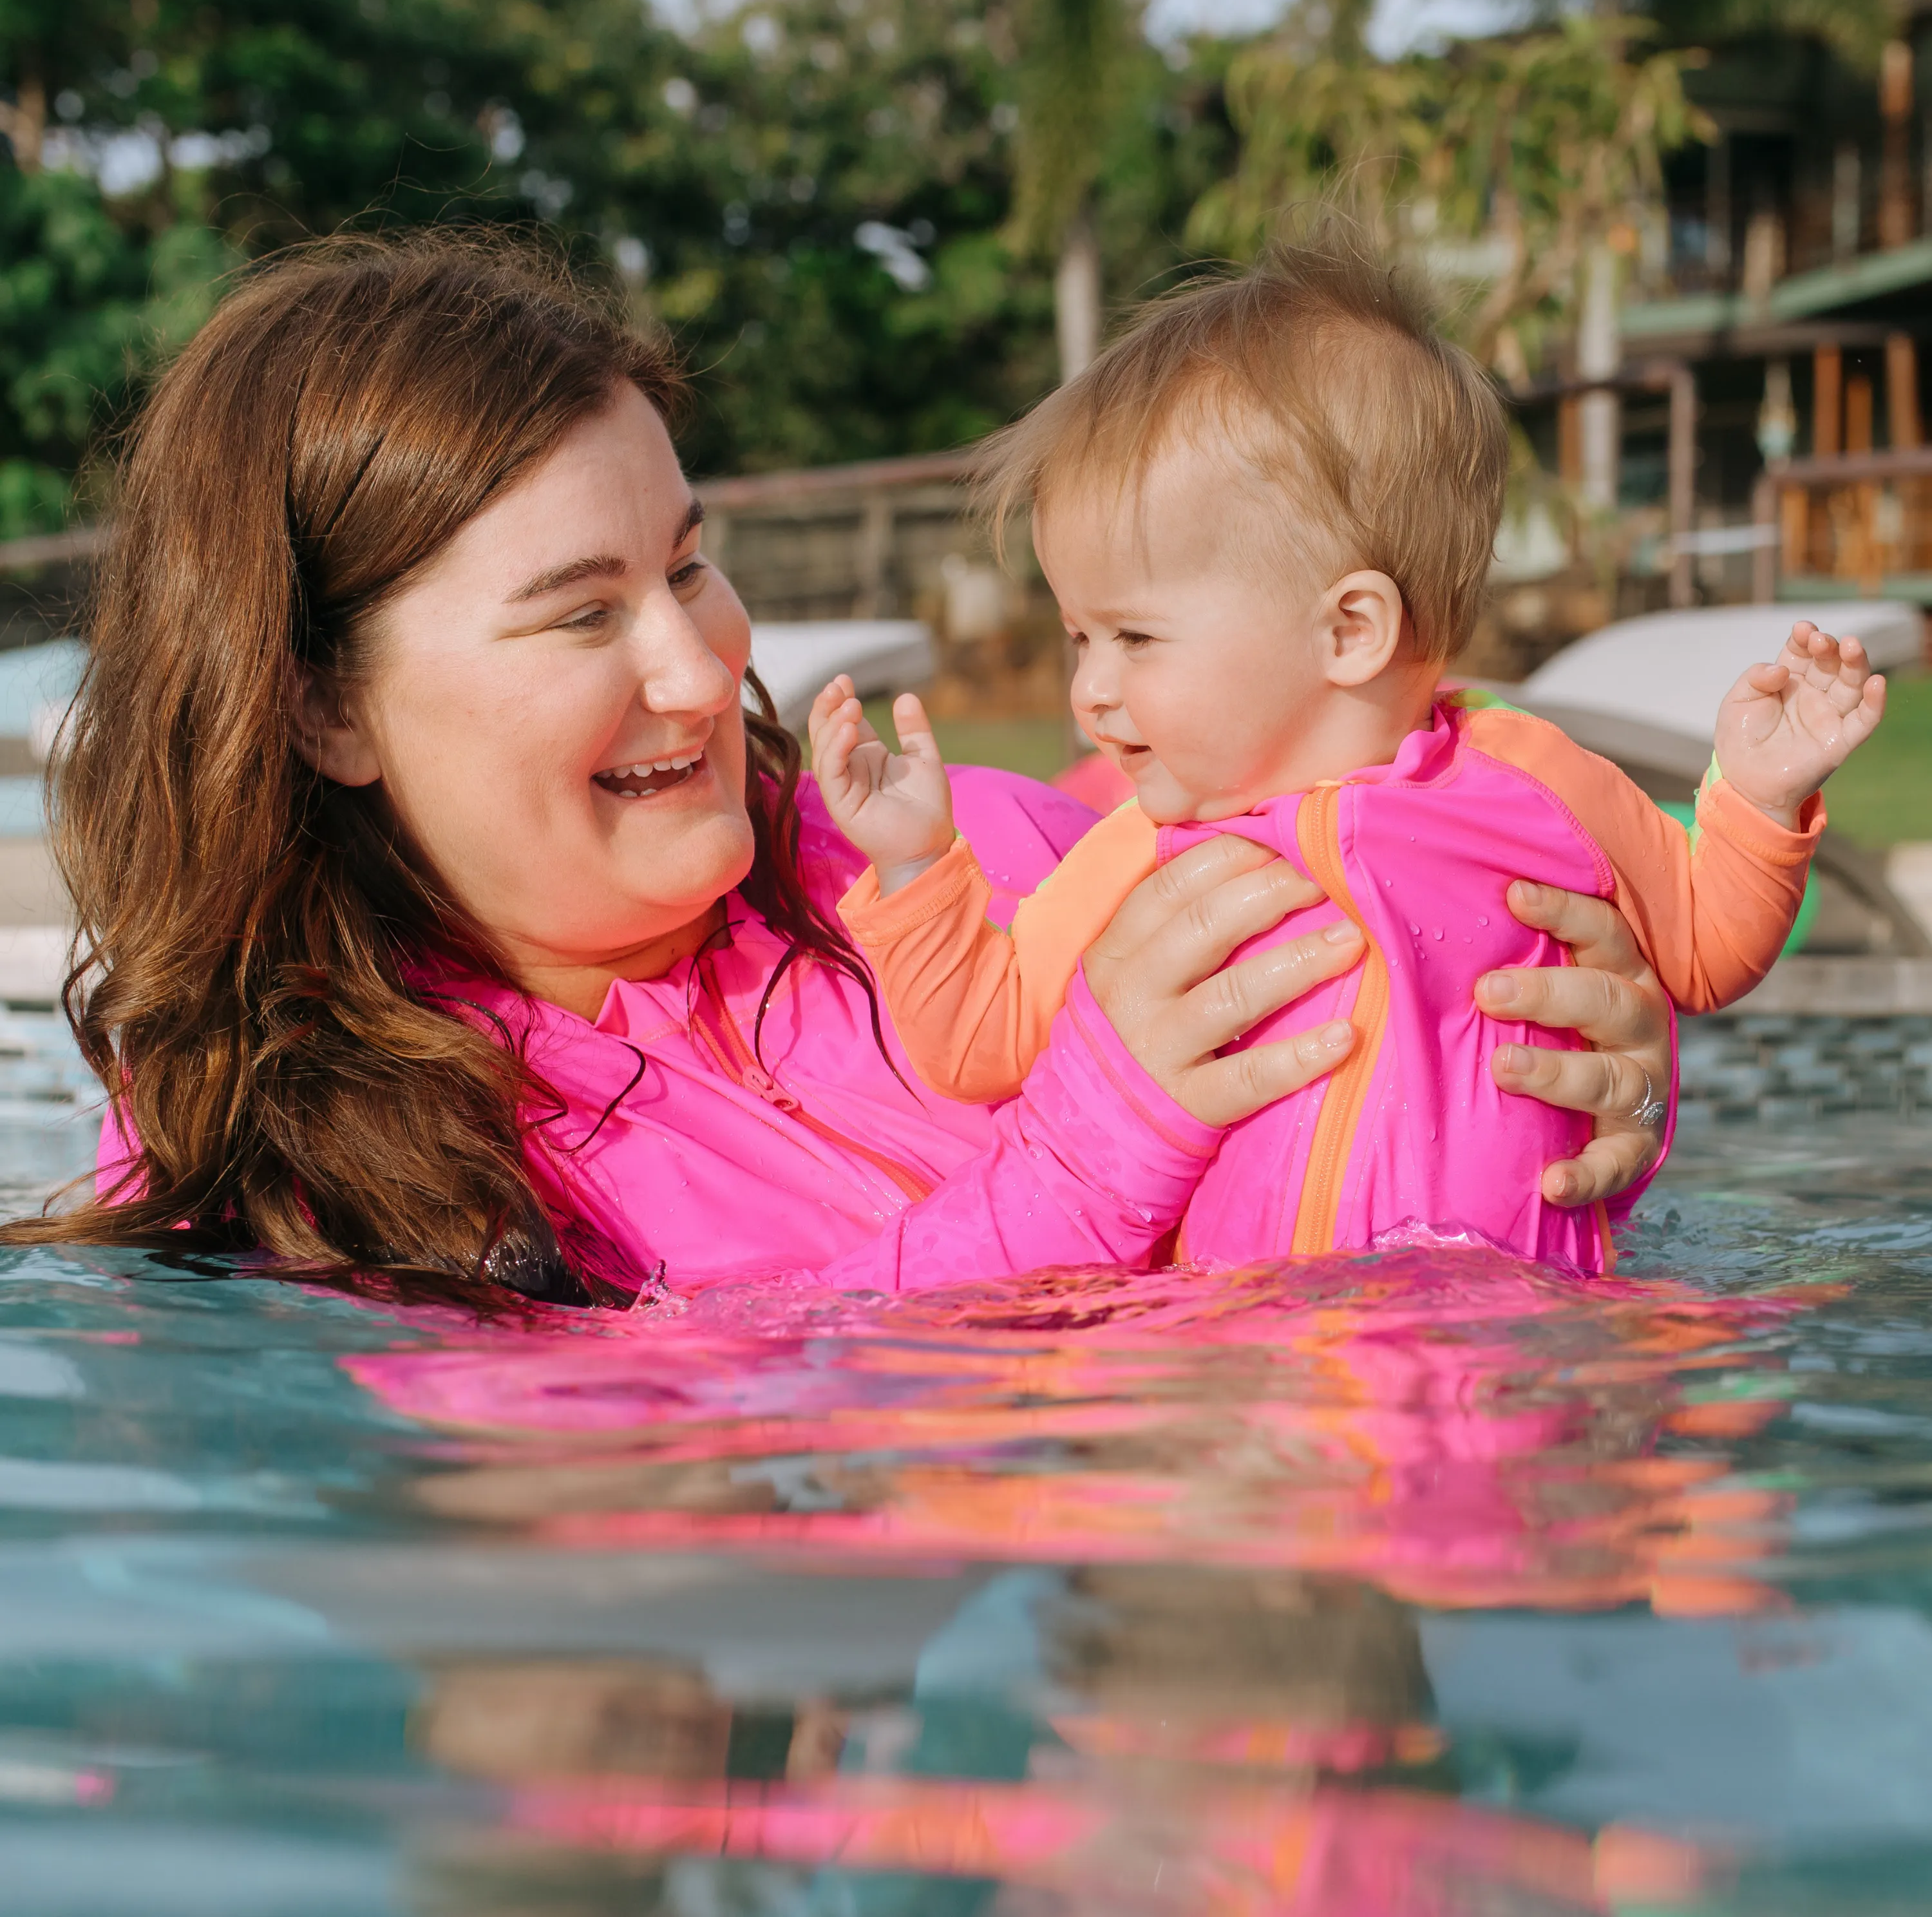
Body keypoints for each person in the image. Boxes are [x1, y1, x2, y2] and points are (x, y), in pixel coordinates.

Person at [1, 234, 1674, 1305]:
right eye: (584, 614)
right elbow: (603, 1492)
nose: (705, 659)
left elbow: (1393, 1180)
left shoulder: (991, 868)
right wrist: (1091, 1156)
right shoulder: (287, 1175)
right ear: (325, 710)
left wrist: (1561, 1089)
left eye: (688, 563)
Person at [812, 231, 1884, 1273]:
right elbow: (979, 1045)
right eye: (1079, 638)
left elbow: (1704, 947)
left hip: (1518, 1349)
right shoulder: (1144, 854)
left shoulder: (1530, 780)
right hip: (1248, 1372)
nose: (1090, 692)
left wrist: (1759, 795)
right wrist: (914, 869)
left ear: (1349, 631)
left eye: (1134, 637)